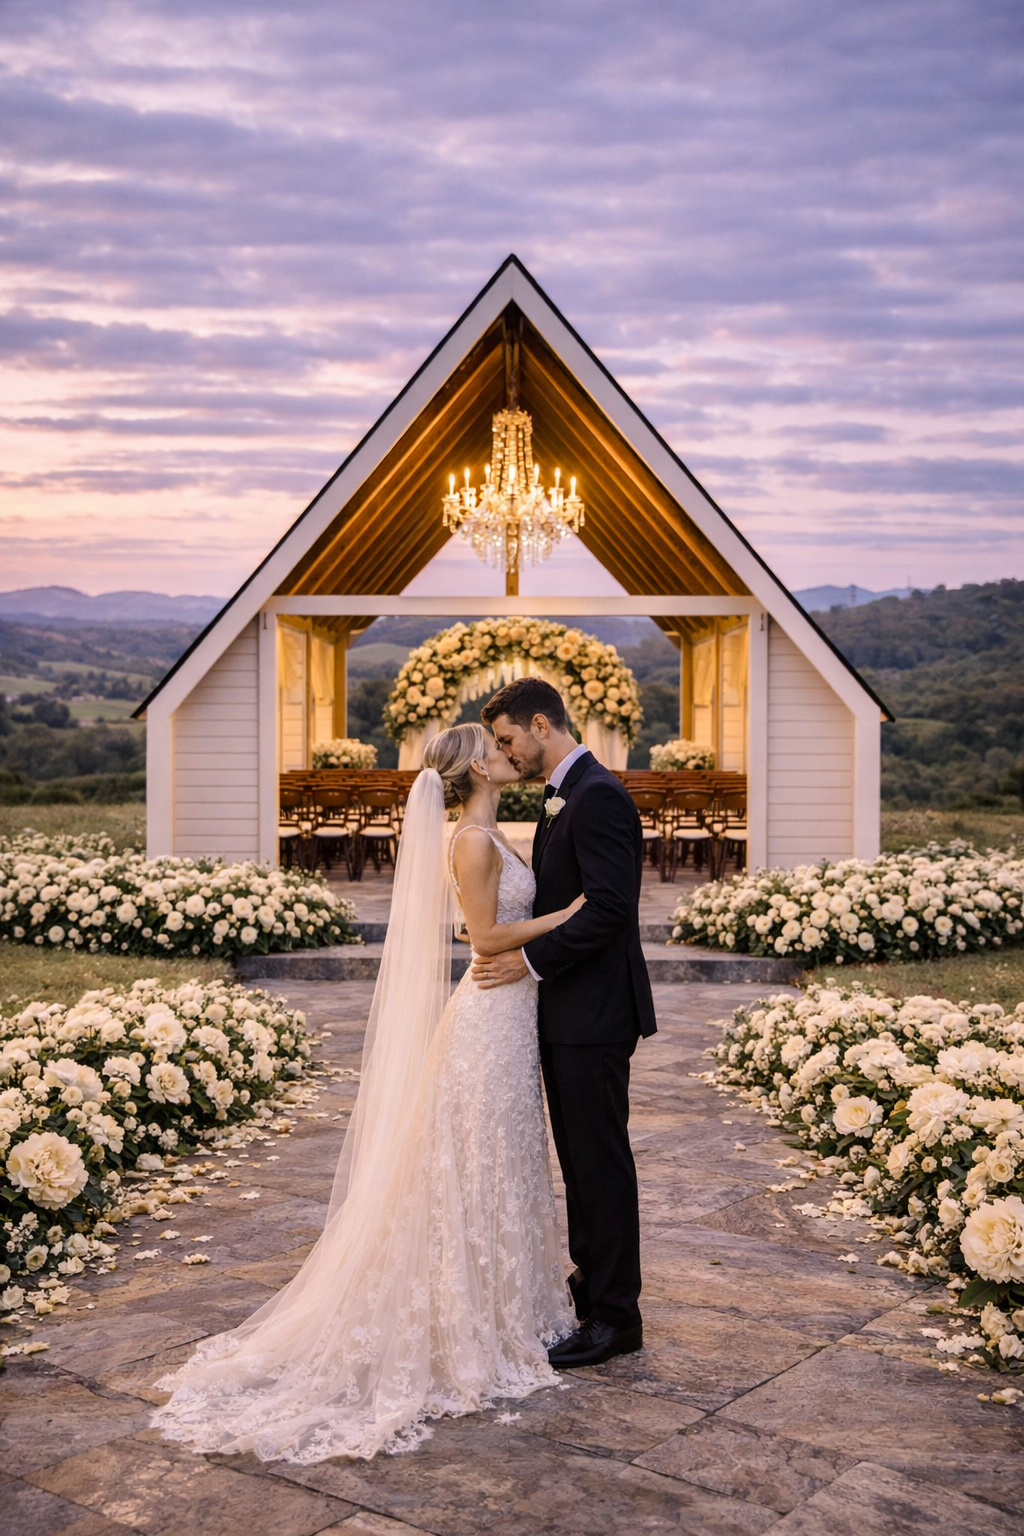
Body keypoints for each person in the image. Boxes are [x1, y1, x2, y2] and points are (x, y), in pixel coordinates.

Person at [151, 723, 578, 1463]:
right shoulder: (472, 842)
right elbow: (484, 938)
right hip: (488, 1020)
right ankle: (469, 1317)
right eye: (497, 746)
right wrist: (569, 917)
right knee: (477, 1160)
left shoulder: (491, 833)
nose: (509, 753)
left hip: (510, 1016)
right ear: (478, 767)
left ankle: (505, 1305)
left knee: (501, 1159)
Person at [477, 677, 657, 1367]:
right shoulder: (563, 793)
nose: (506, 752)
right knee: (581, 1163)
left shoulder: (598, 794)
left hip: (596, 1013)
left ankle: (616, 1317)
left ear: (541, 724)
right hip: (569, 1010)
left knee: (599, 1163)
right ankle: (593, 1284)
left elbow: (610, 908)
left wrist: (528, 961)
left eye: (508, 739)